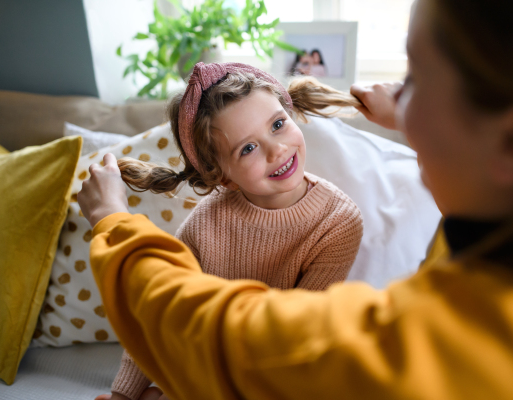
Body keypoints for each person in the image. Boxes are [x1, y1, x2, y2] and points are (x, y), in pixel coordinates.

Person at [79, 0, 513, 398]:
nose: (399, 101)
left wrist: (113, 221)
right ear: (221, 175)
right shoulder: (509, 240)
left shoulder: (419, 342)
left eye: (418, 79)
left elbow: (237, 344)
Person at [94, 63, 364, 400]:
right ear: (223, 176)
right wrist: (124, 394)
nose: (276, 150)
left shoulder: (338, 222)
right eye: (247, 148)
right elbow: (158, 310)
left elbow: (296, 340)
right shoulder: (206, 222)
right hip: (200, 359)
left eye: (278, 125)